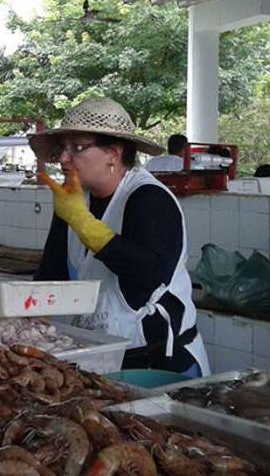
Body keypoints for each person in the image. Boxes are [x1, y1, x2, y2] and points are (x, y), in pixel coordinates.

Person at [31, 97, 210, 378]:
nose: (64, 158)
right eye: (62, 148)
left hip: (157, 364)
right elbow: (51, 273)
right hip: (97, 356)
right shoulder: (75, 201)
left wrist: (83, 223)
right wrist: (25, 325)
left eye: (77, 147)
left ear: (114, 153)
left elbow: (149, 273)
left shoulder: (148, 198)